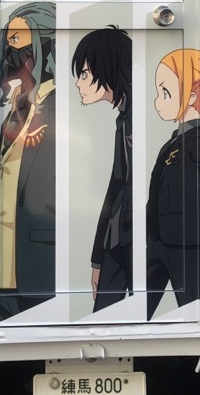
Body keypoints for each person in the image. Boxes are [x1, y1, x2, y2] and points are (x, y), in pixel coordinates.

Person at [0, 2, 56, 323]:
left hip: (36, 268)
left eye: (18, 48)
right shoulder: (16, 111)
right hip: (0, 271)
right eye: (8, 46)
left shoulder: (59, 109)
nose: (9, 59)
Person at [72, 26, 132, 310]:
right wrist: (98, 259)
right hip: (117, 243)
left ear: (107, 68)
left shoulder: (137, 118)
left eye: (84, 74)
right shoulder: (124, 119)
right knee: (104, 315)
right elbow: (115, 187)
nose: (78, 83)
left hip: (138, 241)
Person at [146, 48, 200, 320]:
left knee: (193, 310)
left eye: (165, 93)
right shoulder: (171, 142)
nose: (157, 101)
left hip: (186, 244)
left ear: (192, 97)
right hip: (157, 242)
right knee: (139, 309)